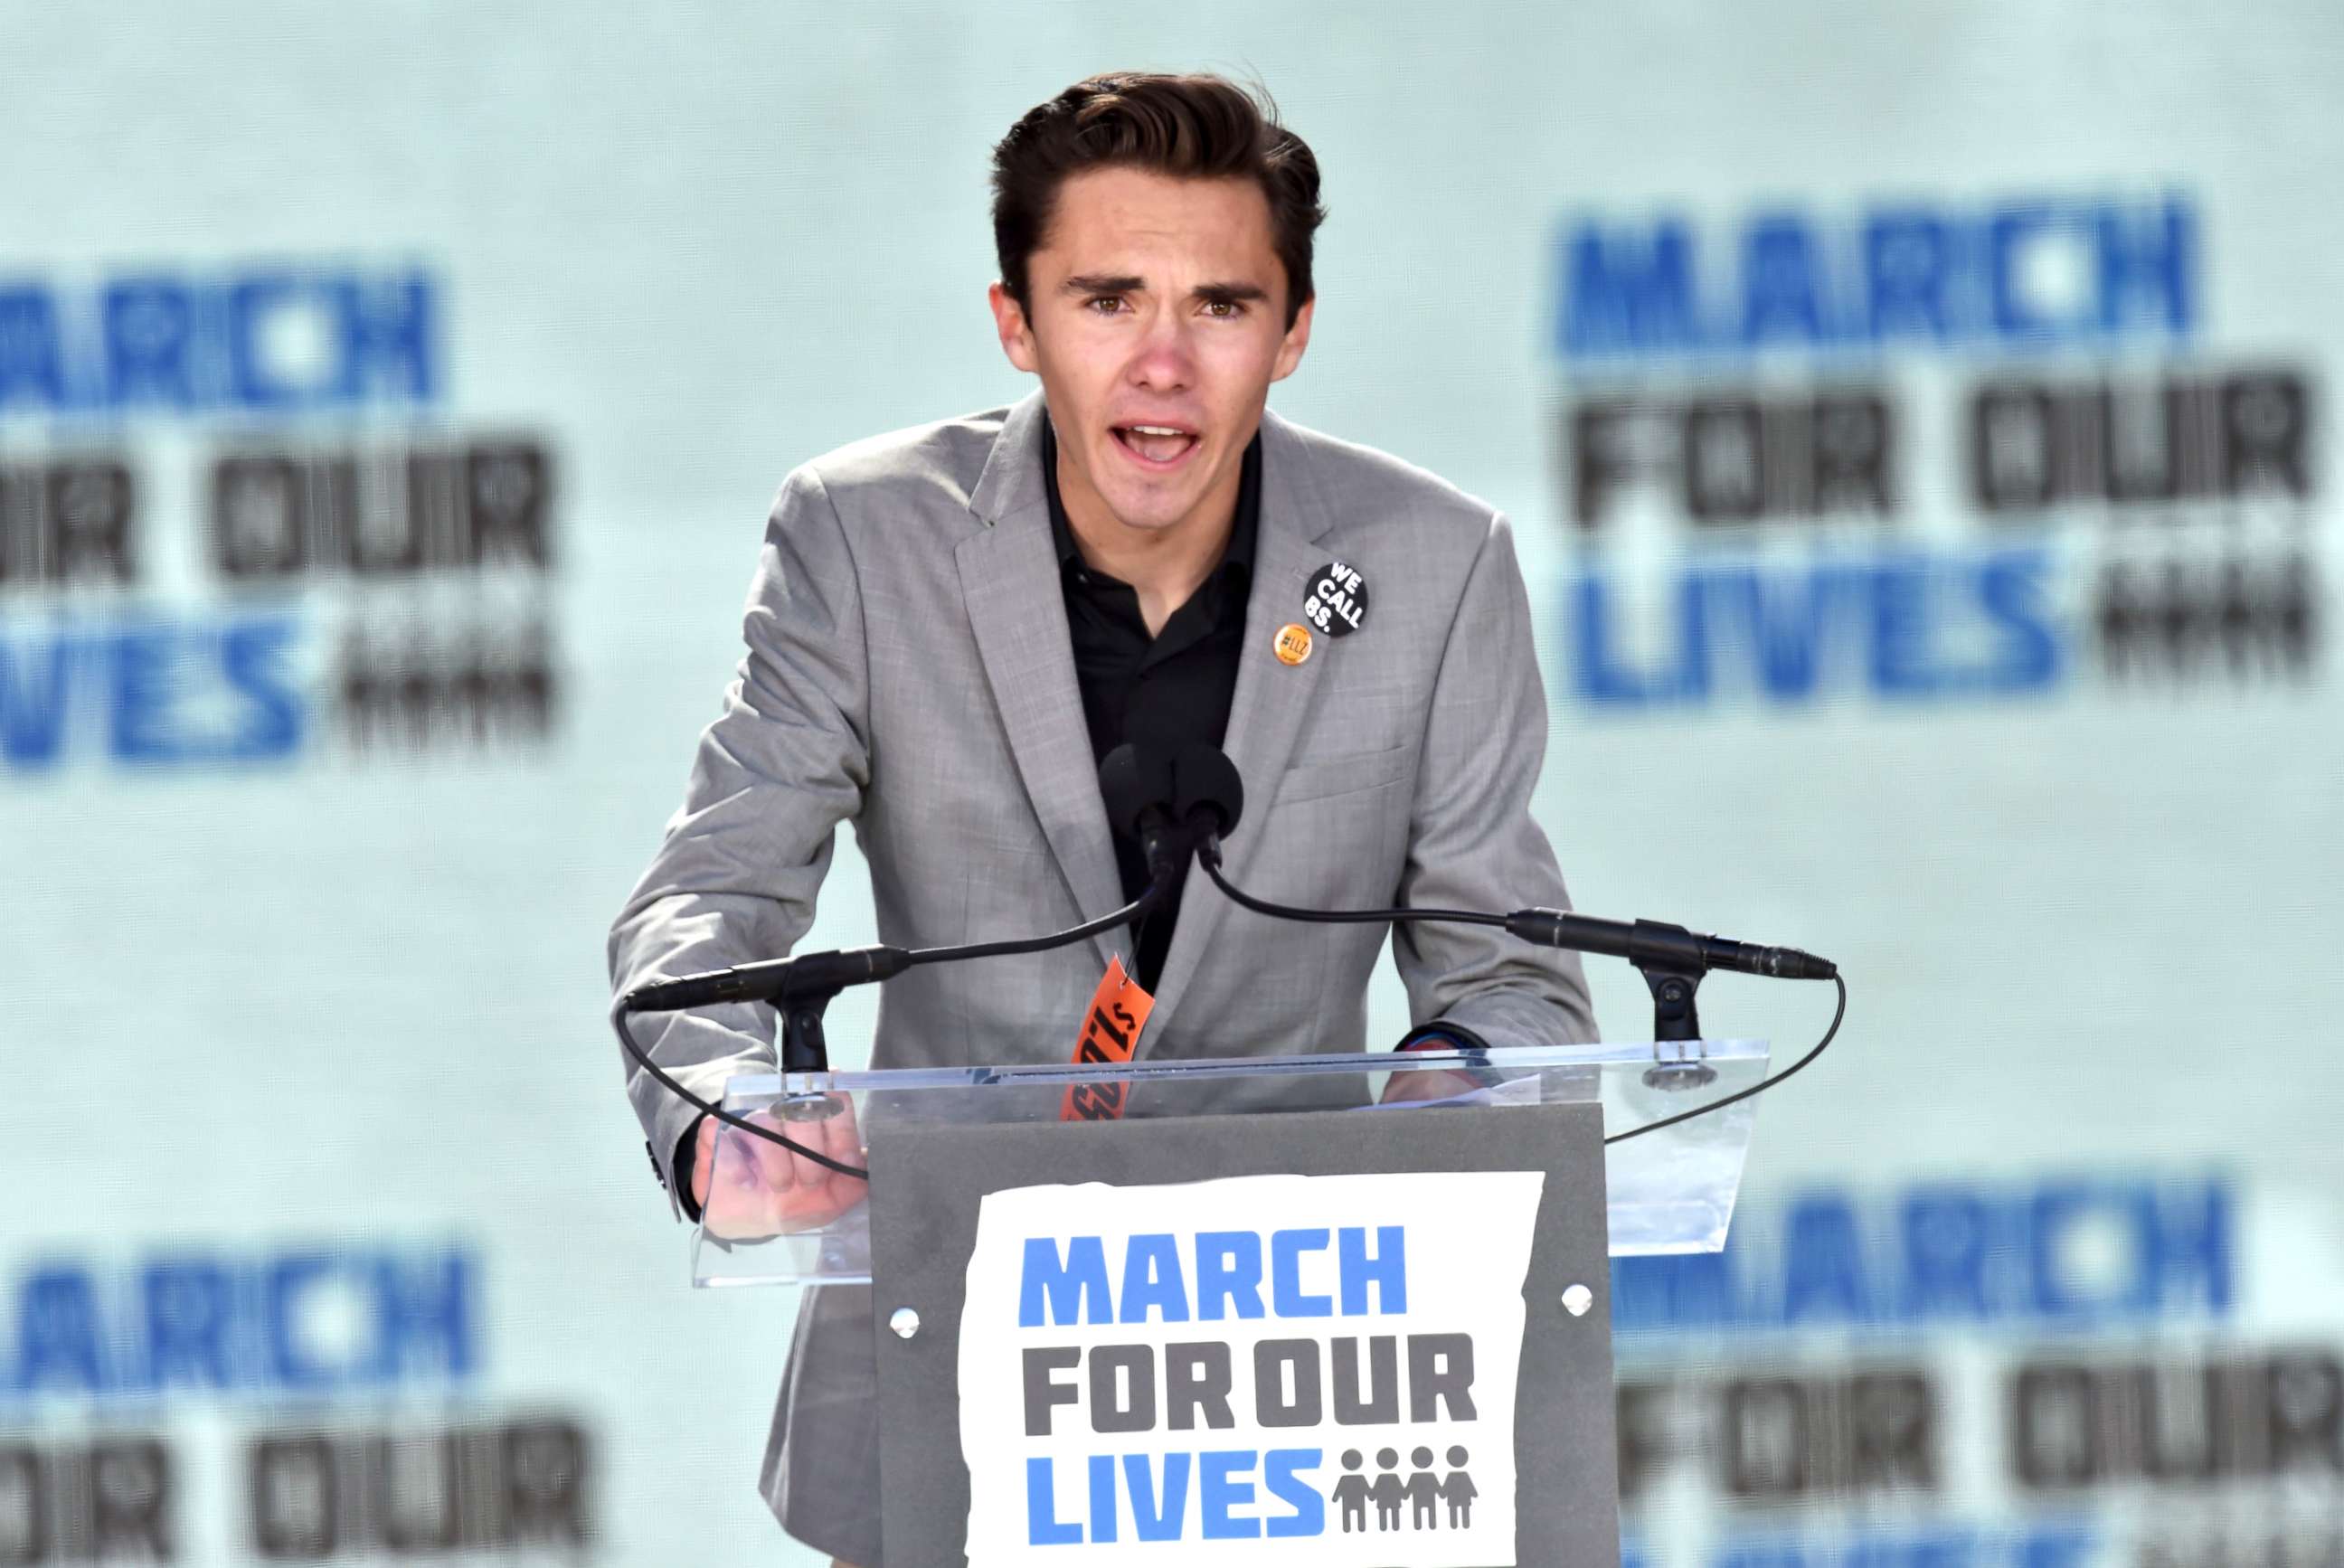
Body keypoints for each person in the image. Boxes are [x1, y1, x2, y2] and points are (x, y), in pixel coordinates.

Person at [607, 70, 1596, 1567]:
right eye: (1107, 299)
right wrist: (726, 1116)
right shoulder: (864, 542)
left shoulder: (1434, 566)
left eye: (1220, 306)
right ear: (1016, 322)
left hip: (1314, 1394)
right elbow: (704, 904)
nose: (1163, 363)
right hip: (951, 1384)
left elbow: (1509, 976)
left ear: (1294, 331)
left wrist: (1454, 1084)